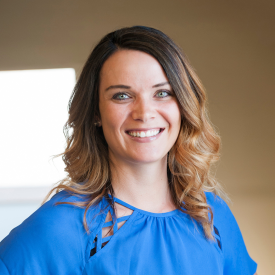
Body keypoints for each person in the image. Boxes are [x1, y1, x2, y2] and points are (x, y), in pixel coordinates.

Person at [0, 26, 257, 274]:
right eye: (122, 96)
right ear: (95, 113)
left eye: (163, 93)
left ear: (183, 105)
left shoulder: (211, 215)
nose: (144, 113)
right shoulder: (66, 225)